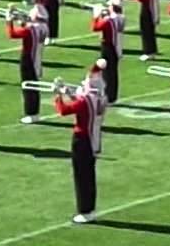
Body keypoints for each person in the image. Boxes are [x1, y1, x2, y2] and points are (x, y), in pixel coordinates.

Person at [55, 61, 106, 224]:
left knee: (81, 176)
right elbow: (80, 101)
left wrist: (57, 95)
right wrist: (67, 92)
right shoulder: (100, 98)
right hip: (94, 139)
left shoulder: (85, 101)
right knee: (89, 176)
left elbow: (63, 111)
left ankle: (85, 211)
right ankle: (90, 208)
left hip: (82, 140)